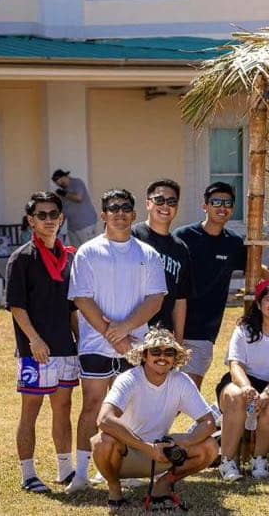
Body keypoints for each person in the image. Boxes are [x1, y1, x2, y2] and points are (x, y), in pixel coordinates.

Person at [66, 188, 167, 494]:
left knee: (128, 409)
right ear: (103, 215)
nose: (120, 213)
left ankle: (124, 469)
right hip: (95, 345)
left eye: (125, 208)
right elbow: (82, 298)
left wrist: (125, 329)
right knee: (92, 406)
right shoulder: (88, 252)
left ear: (134, 215)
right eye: (113, 208)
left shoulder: (147, 254)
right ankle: (82, 473)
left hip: (135, 343)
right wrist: (113, 335)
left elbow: (156, 299)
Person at [92, 328, 218, 513]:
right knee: (102, 441)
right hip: (125, 454)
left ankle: (163, 485)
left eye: (169, 352)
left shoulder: (181, 380)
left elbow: (208, 422)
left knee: (210, 447)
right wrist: (146, 447)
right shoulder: (129, 379)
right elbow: (104, 419)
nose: (162, 357)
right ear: (144, 355)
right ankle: (114, 488)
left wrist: (182, 442)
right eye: (156, 351)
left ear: (175, 358)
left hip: (161, 453)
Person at [6, 192, 79, 493]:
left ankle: (65, 469)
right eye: (42, 215)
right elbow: (16, 305)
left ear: (61, 218)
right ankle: (28, 474)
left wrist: (80, 340)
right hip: (35, 350)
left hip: (65, 348)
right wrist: (34, 340)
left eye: (54, 214)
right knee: (31, 410)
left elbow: (73, 305)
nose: (49, 220)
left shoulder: (69, 258)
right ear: (31, 221)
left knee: (63, 407)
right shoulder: (21, 258)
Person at [216, 278, 269, 482]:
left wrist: (267, 394)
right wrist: (246, 388)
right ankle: (227, 461)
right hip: (242, 381)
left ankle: (260, 458)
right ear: (258, 303)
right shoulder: (243, 329)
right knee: (235, 396)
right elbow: (235, 364)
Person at [175, 182, 258, 389]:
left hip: (203, 331)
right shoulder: (183, 237)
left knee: (188, 391)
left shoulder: (234, 243)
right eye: (216, 202)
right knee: (159, 390)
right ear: (205, 206)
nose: (222, 207)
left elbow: (253, 268)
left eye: (228, 203)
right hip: (171, 324)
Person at [132, 179, 192, 340]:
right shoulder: (132, 236)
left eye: (171, 201)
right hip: (132, 329)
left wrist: (178, 338)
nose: (165, 206)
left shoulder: (180, 248)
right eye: (159, 200)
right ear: (147, 204)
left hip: (162, 334)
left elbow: (180, 299)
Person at [52, 169, 100, 247]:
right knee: (76, 253)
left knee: (89, 250)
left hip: (85, 225)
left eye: (62, 182)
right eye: (59, 184)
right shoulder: (62, 193)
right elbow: (63, 212)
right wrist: (58, 228)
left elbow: (78, 198)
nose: (61, 185)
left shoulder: (77, 182)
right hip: (72, 228)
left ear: (66, 176)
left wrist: (64, 194)